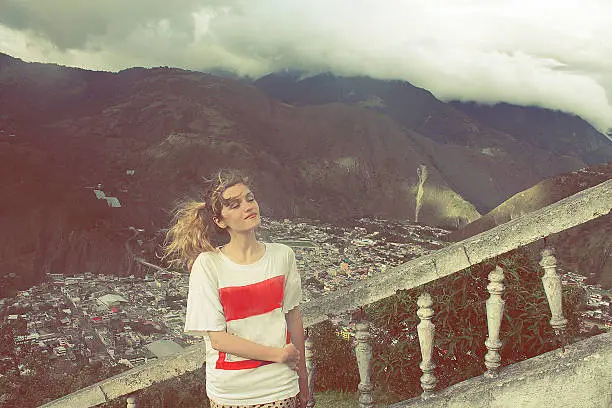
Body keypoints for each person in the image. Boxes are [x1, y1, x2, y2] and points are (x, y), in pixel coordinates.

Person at [163, 169, 309, 408]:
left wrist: (302, 375)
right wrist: (278, 355)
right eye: (234, 204)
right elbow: (219, 340)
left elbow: (293, 316)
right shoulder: (209, 265)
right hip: (232, 392)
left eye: (250, 198)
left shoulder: (283, 256)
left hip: (279, 385)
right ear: (220, 220)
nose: (247, 206)